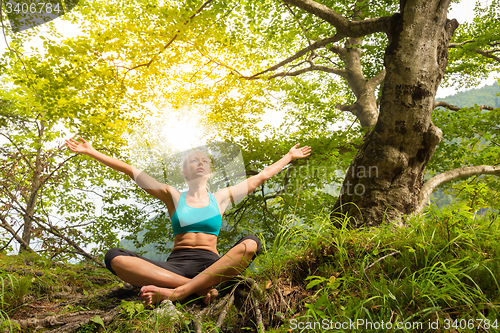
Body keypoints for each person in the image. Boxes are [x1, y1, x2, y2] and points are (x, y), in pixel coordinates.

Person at [65, 137, 311, 305]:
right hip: (175, 267)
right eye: (194, 161)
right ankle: (200, 289)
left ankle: (179, 293)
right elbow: (132, 171)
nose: (201, 163)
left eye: (205, 161)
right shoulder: (172, 195)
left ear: (210, 170)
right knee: (114, 257)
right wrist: (92, 152)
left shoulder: (221, 198)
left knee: (250, 244)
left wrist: (289, 156)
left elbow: (260, 177)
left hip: (211, 264)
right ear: (185, 172)